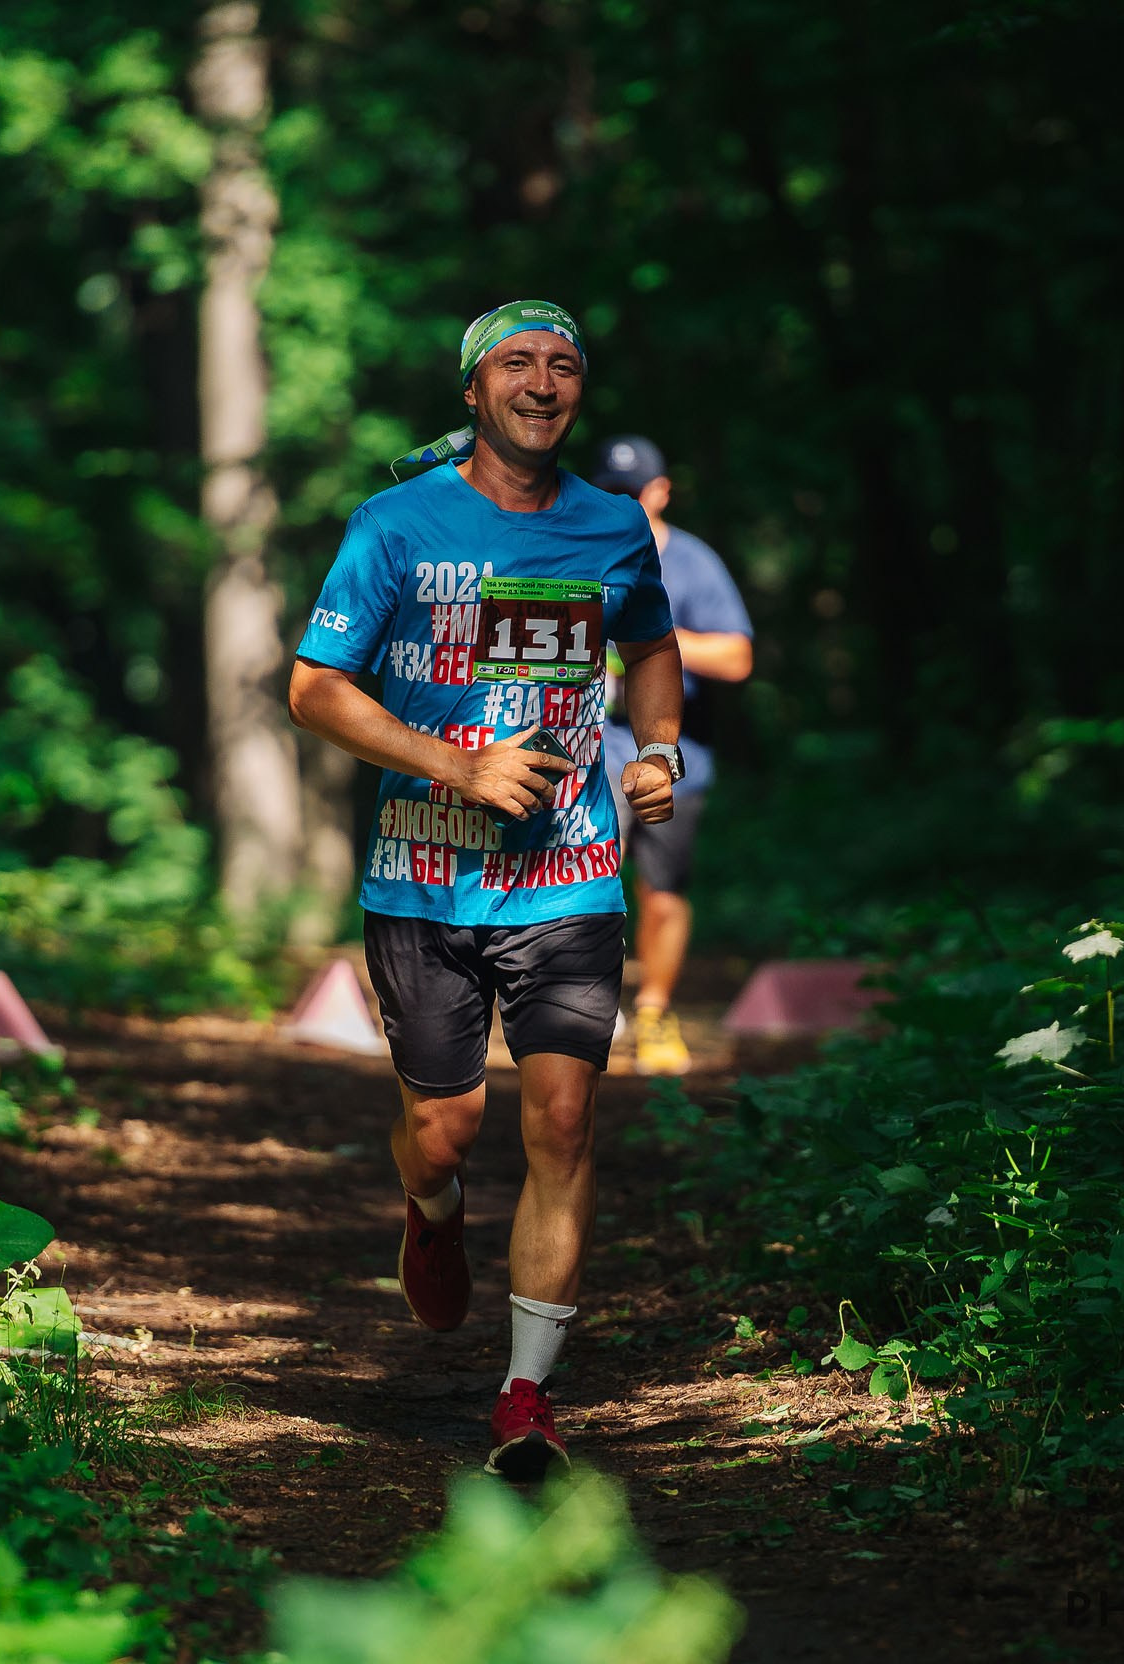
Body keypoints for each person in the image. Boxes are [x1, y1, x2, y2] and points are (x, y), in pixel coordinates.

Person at [287, 299, 686, 1481]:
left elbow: (654, 647)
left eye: (565, 365)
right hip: (422, 878)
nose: (544, 380)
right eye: (518, 361)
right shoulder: (396, 523)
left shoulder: (614, 527)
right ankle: (432, 1204)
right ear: (473, 390)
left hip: (569, 877)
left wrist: (654, 749)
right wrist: (455, 761)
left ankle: (525, 1395)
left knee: (562, 1119)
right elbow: (315, 687)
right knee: (444, 1126)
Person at [590, 436, 754, 1076]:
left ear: (660, 492)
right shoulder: (576, 554)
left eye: (634, 493)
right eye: (612, 492)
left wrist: (654, 641)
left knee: (662, 894)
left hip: (676, 749)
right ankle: (591, 1008)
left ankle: (655, 1009)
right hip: (592, 743)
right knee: (593, 879)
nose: (623, 503)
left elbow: (738, 657)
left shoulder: (692, 563)